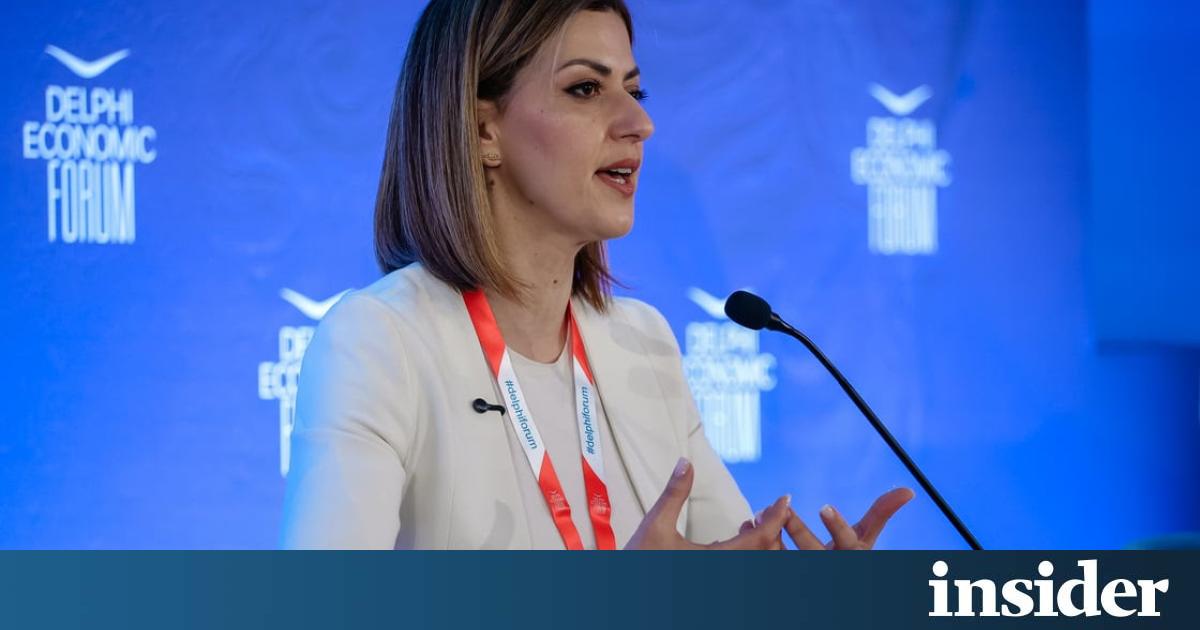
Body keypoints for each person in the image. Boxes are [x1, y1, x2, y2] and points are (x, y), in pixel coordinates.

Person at [279, 0, 913, 550]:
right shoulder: (381, 341)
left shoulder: (644, 343)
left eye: (635, 91)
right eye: (586, 89)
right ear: (482, 129)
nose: (639, 123)